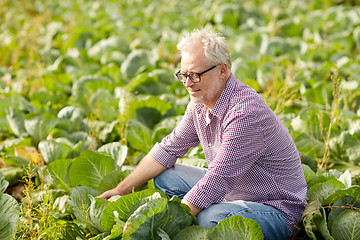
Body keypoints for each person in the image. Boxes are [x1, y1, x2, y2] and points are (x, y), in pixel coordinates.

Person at [98, 29, 307, 240]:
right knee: (165, 177)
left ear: (222, 70)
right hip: (234, 194)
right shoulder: (201, 103)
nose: (188, 83)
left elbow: (218, 178)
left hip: (275, 209)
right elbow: (169, 148)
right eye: (184, 75)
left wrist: (168, 224)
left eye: (196, 75)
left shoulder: (245, 113)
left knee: (210, 219)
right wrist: (121, 190)